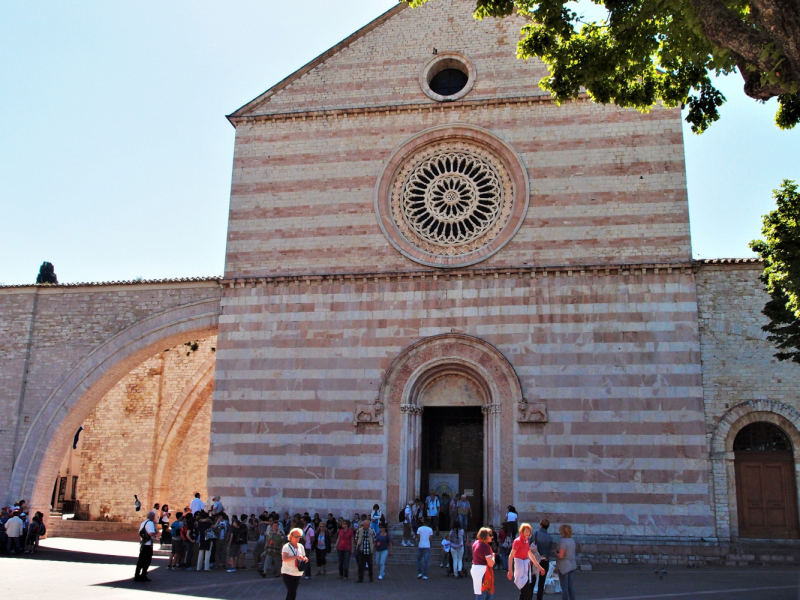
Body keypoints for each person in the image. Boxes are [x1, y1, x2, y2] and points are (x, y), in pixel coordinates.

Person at [507, 523, 546, 600]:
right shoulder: (517, 541)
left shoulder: (526, 541)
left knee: (524, 592)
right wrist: (510, 571)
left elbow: (530, 555)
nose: (528, 533)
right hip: (519, 566)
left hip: (525, 568)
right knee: (527, 592)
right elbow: (511, 556)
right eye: (526, 531)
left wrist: (539, 567)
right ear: (522, 531)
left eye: (529, 531)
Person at [282, 528, 308, 600]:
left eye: (299, 537)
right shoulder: (286, 546)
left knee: (292, 592)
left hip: (297, 572)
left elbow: (304, 556)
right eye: (296, 536)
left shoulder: (301, 546)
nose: (298, 538)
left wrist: (305, 559)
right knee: (292, 591)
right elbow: (284, 558)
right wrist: (295, 557)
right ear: (291, 536)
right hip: (287, 572)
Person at [471, 527, 496, 600]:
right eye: (490, 535)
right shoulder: (485, 546)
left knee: (481, 593)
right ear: (485, 536)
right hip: (483, 572)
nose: (492, 537)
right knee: (484, 594)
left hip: (477, 570)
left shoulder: (476, 543)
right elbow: (491, 563)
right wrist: (493, 556)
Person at [532, 519, 553, 600]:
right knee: (541, 583)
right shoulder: (550, 537)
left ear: (540, 525)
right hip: (544, 560)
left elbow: (530, 545)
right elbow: (550, 550)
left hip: (535, 560)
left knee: (532, 582)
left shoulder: (535, 534)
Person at [555, 524, 577, 600]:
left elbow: (561, 556)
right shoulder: (572, 540)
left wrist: (555, 552)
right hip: (572, 565)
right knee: (570, 586)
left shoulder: (563, 541)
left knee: (564, 587)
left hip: (564, 566)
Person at [135, 510, 157, 582]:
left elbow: (139, 532)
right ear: (152, 516)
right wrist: (156, 533)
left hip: (143, 543)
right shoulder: (150, 523)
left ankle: (137, 575)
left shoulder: (143, 523)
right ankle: (143, 575)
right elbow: (151, 533)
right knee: (147, 560)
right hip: (148, 544)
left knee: (141, 560)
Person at [354, 518, 376, 583]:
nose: (367, 526)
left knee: (370, 564)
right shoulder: (359, 530)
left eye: (368, 525)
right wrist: (359, 542)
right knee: (361, 565)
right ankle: (360, 577)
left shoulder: (371, 531)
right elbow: (356, 538)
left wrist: (372, 546)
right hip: (362, 550)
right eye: (366, 525)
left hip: (369, 550)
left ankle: (371, 576)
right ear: (363, 525)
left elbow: (374, 539)